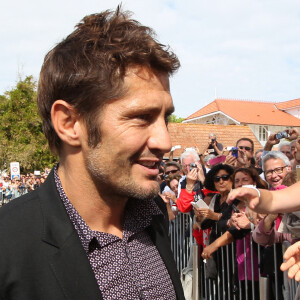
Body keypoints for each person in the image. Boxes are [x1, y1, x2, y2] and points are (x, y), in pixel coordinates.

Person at [0, 7, 185, 300]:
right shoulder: (8, 243)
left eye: (165, 118)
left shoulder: (154, 214)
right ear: (70, 123)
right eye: (141, 117)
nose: (164, 140)